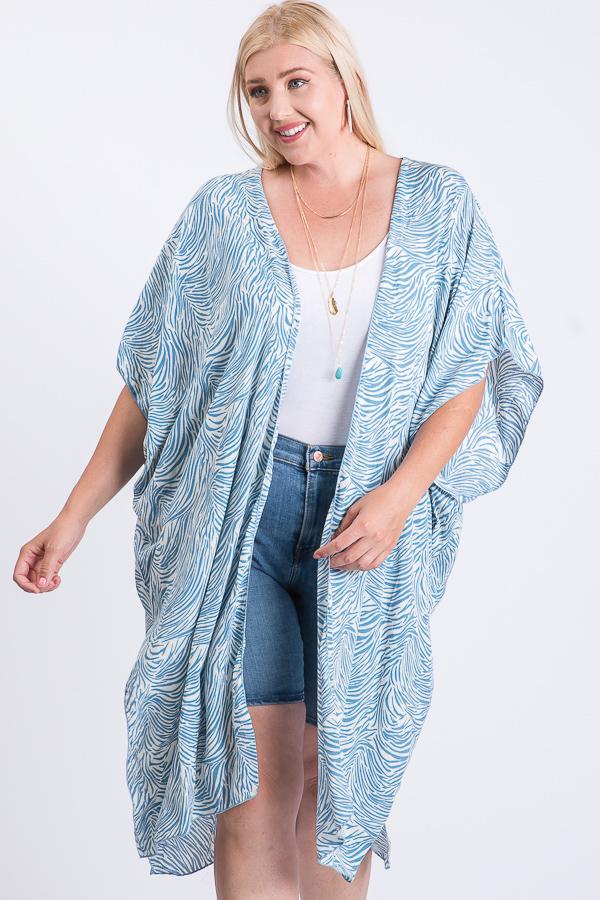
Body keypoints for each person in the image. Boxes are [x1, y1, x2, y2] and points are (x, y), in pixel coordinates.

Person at [12, 2, 544, 898]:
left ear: (345, 82)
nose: (277, 108)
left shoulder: (438, 203)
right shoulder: (223, 214)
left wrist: (400, 497)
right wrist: (71, 520)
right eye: (257, 91)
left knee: (337, 781)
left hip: (368, 519)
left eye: (297, 82)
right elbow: (155, 380)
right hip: (236, 519)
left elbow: (469, 372)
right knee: (251, 783)